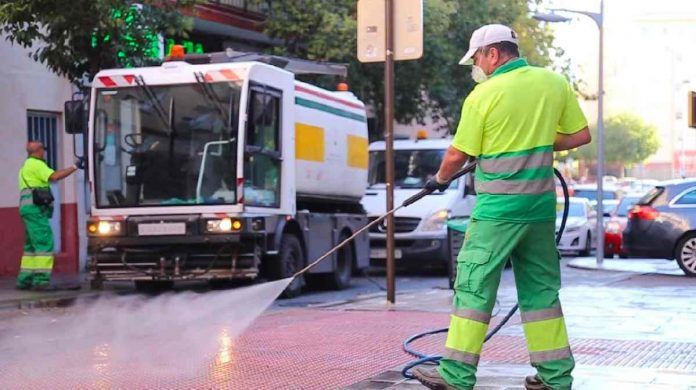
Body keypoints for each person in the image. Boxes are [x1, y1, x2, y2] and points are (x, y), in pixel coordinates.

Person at [412, 24, 591, 390]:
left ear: (493, 53)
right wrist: (535, 138)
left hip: (498, 212)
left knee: (474, 287)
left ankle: (457, 375)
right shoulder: (553, 83)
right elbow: (580, 135)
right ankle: (555, 378)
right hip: (540, 210)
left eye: (477, 58)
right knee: (541, 292)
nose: (477, 66)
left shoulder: (484, 95)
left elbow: (457, 154)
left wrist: (440, 180)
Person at [17, 141, 83, 290]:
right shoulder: (37, 164)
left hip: (27, 210)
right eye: (43, 150)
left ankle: (25, 279)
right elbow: (55, 177)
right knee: (44, 244)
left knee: (31, 247)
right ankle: (41, 281)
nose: (44, 152)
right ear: (39, 151)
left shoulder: (25, 167)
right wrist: (75, 166)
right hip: (35, 211)